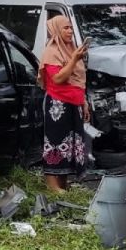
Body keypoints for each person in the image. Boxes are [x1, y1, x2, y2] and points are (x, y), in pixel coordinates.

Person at [39, 15, 91, 193]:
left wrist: (83, 102)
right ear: (56, 30)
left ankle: (63, 182)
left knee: (69, 144)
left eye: (70, 28)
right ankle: (52, 185)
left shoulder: (71, 49)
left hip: (74, 103)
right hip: (57, 104)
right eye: (65, 28)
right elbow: (58, 78)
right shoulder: (51, 51)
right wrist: (74, 59)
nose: (70, 31)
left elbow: (78, 80)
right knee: (55, 142)